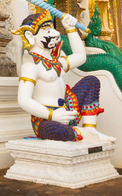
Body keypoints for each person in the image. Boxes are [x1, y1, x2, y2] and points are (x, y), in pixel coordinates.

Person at [12, 9, 114, 144]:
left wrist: (70, 29)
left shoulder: (56, 62)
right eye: (48, 31)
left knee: (91, 81)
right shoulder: (31, 66)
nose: (55, 33)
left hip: (68, 110)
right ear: (31, 36)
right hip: (46, 120)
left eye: (53, 29)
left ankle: (90, 128)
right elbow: (23, 100)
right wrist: (52, 115)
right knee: (59, 131)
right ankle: (84, 134)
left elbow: (80, 57)